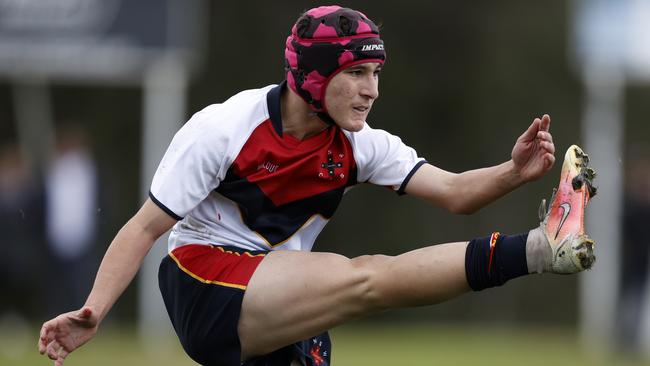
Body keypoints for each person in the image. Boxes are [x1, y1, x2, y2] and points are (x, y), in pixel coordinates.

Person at [38, 5, 597, 366]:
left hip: (277, 300)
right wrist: (93, 311)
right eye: (356, 72)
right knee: (365, 278)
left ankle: (542, 249)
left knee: (356, 288)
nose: (371, 90)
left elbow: (455, 194)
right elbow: (142, 229)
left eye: (375, 74)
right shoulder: (223, 130)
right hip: (204, 284)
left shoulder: (361, 144)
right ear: (312, 74)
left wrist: (512, 172)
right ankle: (540, 250)